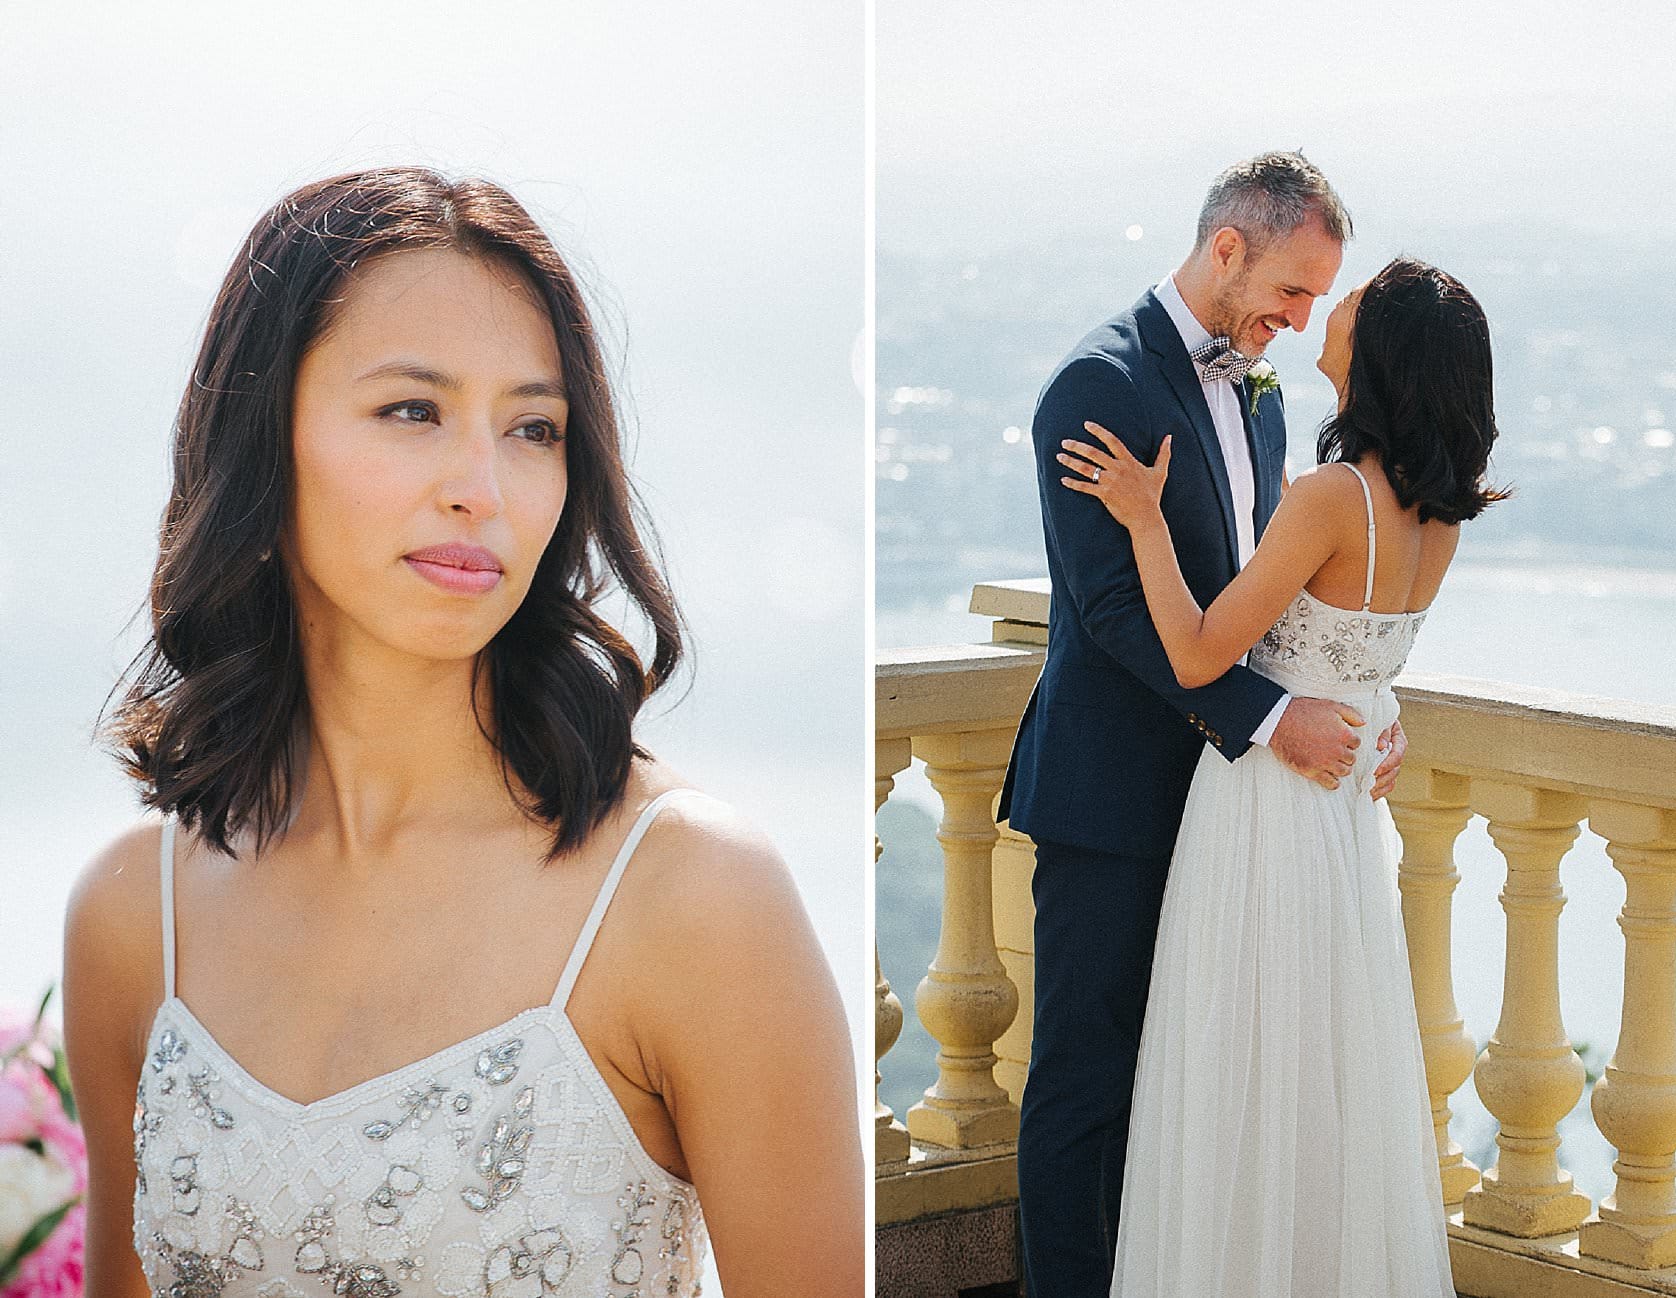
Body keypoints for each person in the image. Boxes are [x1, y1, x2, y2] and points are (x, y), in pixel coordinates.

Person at [59, 168, 862, 1297]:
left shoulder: (690, 898)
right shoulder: (135, 919)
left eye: (533, 426)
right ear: (261, 434)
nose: (482, 485)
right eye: (412, 409)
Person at [996, 151, 1405, 1297]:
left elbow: (1254, 600)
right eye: (1292, 287)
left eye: (1319, 299)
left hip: (1229, 814)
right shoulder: (1096, 386)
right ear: (1226, 246)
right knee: (1088, 1080)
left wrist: (1367, 701)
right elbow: (1114, 608)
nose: (1301, 316)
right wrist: (1273, 719)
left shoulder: (1259, 392)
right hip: (1114, 795)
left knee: (1193, 1079)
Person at [1059, 255, 1509, 1295]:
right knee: (1325, 1070)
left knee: (1239, 1065)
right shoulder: (1437, 516)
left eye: (1350, 301)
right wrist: (1383, 724)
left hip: (1264, 806)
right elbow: (1367, 659)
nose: (1329, 308)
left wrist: (1143, 521)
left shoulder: (1329, 496)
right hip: (1344, 814)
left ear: (1381, 351)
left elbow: (1195, 653)